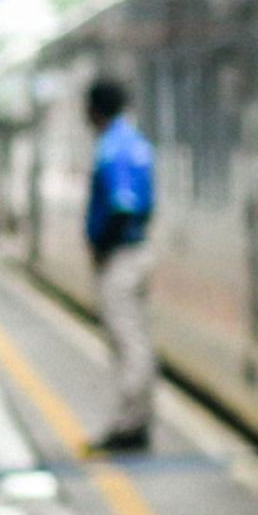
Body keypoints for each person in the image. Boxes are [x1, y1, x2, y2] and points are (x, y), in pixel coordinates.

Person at [82, 76, 155, 454]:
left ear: (95, 110)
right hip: (138, 251)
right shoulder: (137, 142)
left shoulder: (110, 147)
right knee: (137, 337)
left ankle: (131, 425)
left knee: (126, 340)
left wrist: (101, 244)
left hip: (120, 257)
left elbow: (122, 203)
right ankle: (138, 417)